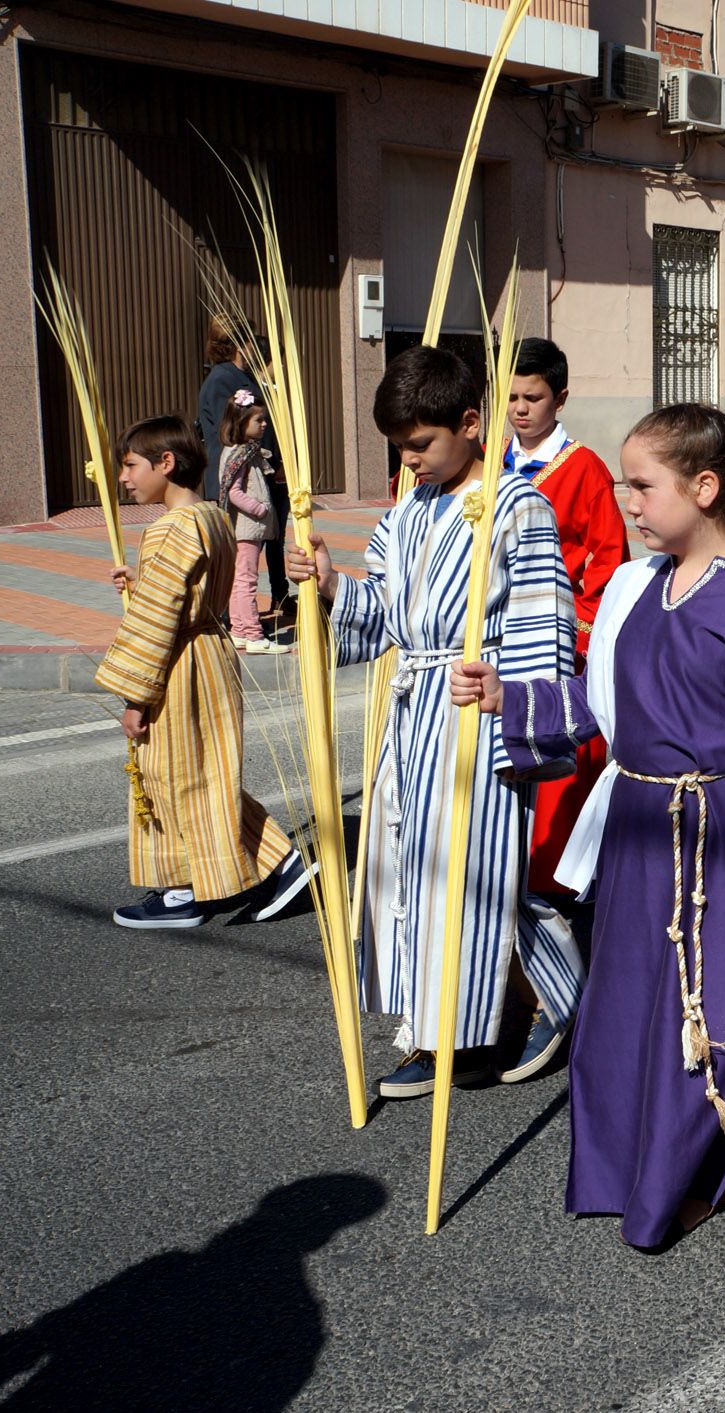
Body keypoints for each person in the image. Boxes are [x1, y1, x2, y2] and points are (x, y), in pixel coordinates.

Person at [454, 403, 725, 1249]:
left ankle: (701, 1170)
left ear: (704, 488)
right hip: (640, 828)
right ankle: (624, 1165)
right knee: (628, 1004)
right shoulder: (640, 583)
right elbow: (601, 707)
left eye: (643, 484)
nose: (628, 501)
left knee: (717, 1011)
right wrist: (508, 697)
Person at [286, 346, 581, 1098]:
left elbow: (546, 623)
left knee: (476, 870)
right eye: (401, 449)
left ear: (469, 423)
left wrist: (513, 696)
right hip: (412, 710)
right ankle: (441, 1026)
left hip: (473, 712)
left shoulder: (519, 507)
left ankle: (512, 1009)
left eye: (421, 444)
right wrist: (328, 586)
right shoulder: (407, 512)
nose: (410, 461)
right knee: (411, 870)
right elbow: (381, 613)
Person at [98, 414, 315, 930]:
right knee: (205, 775)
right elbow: (190, 587)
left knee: (171, 776)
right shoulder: (213, 518)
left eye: (130, 465)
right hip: (212, 651)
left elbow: (159, 615)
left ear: (166, 463)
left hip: (179, 664)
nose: (124, 478)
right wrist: (145, 575)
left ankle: (184, 894)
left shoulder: (169, 527)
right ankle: (279, 865)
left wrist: (135, 697)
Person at [504, 336, 629, 899]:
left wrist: (579, 631)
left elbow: (608, 560)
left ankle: (553, 880)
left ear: (561, 398)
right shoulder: (490, 462)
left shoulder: (584, 470)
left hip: (558, 638)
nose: (520, 409)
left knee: (557, 760)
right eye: (511, 398)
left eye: (532, 397)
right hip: (496, 634)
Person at [196, 316, 287, 621]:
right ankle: (233, 621)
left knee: (249, 556)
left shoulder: (239, 376)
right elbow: (235, 431)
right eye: (250, 340)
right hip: (237, 483)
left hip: (255, 476)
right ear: (238, 343)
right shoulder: (225, 379)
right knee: (240, 559)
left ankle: (240, 617)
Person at [215, 391, 288, 655]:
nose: (264, 424)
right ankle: (255, 634)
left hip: (245, 527)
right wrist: (260, 509)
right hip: (247, 527)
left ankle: (240, 630)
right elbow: (233, 492)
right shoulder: (240, 454)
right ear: (241, 422)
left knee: (239, 580)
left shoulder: (242, 451)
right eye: (259, 420)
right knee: (247, 581)